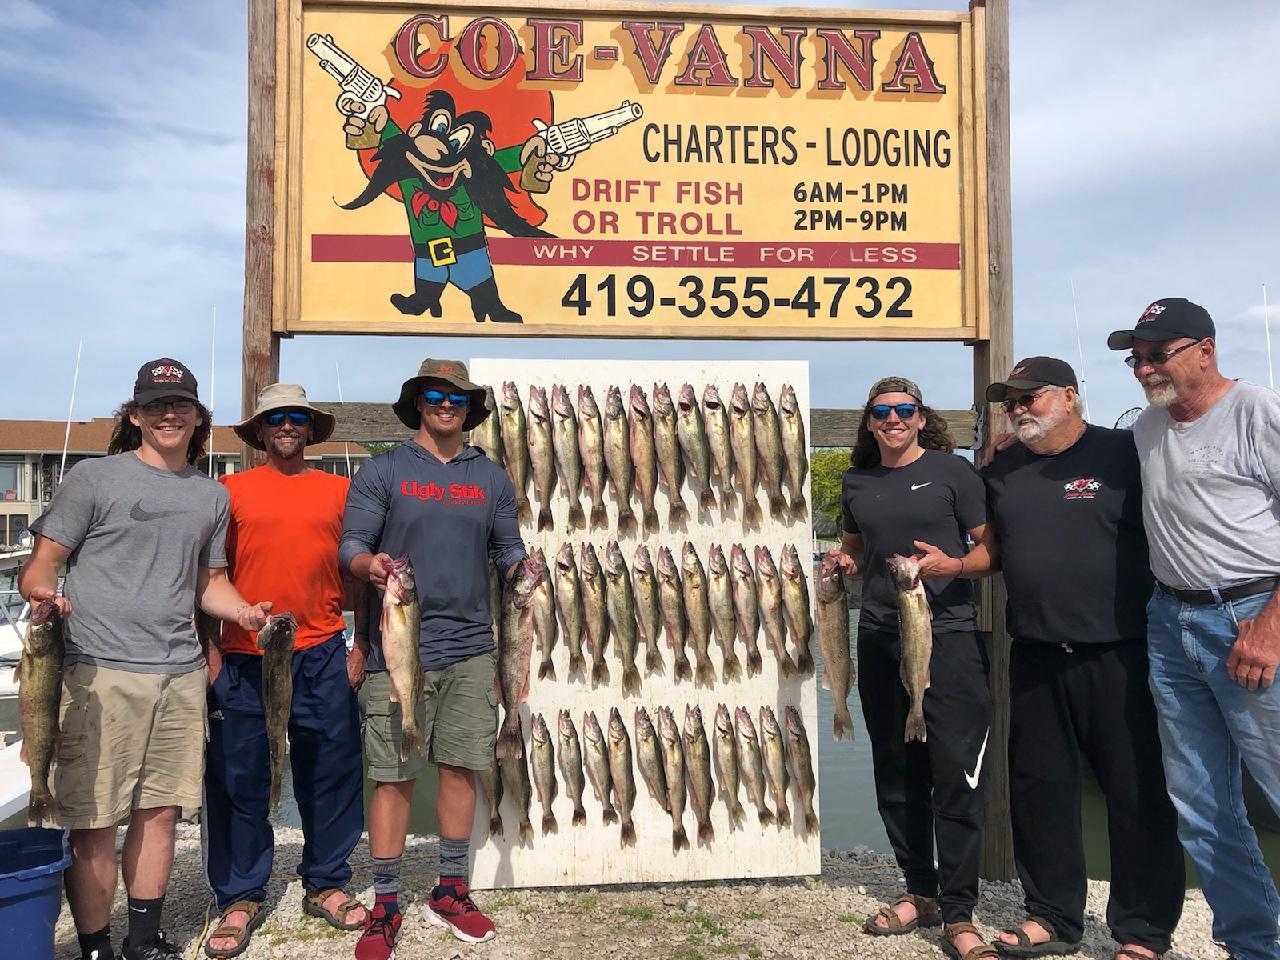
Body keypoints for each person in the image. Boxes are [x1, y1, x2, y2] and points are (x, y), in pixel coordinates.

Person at [18, 358, 271, 960]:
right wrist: (39, 596)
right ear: (134, 416)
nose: (168, 414)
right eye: (155, 405)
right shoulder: (93, 479)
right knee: (95, 819)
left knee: (158, 814)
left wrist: (244, 613)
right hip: (96, 670)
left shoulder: (212, 495)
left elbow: (210, 581)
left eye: (180, 404)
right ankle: (97, 945)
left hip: (180, 674)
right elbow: (44, 565)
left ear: (197, 417)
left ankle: (143, 938)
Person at [982, 357, 1184, 960]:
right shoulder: (1001, 466)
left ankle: (1143, 932)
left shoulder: (1128, 451)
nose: (1019, 409)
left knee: (1137, 794)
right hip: (1036, 651)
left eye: (1030, 397)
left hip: (1121, 652)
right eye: (1010, 401)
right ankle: (1052, 915)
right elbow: (989, 549)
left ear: (1069, 396)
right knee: (1040, 790)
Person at [1108, 298, 1280, 960]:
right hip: (1169, 621)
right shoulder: (1148, 428)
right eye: (1137, 357)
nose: (1145, 366)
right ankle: (1252, 947)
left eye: (1159, 352)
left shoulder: (1257, 410)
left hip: (1251, 617)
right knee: (1204, 810)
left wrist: (1268, 629)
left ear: (1205, 350)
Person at [340, 358, 527, 959]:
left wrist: (523, 570)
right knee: (393, 776)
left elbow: (508, 548)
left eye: (457, 396)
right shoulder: (384, 469)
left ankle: (451, 889)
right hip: (399, 645)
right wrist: (371, 568)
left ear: (469, 408)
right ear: (418, 403)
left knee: (460, 767)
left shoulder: (492, 477)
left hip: (472, 646)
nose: (446, 404)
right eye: (435, 395)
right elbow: (351, 546)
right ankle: (386, 903)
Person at [831, 376, 1000, 960]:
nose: (894, 420)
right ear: (870, 422)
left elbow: (989, 552)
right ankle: (918, 890)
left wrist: (953, 564)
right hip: (879, 637)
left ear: (922, 417)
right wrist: (843, 561)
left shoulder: (954, 473)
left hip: (946, 638)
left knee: (955, 774)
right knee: (896, 771)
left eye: (904, 410)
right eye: (882, 412)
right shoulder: (857, 481)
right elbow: (855, 548)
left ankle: (959, 910)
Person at [201, 384, 368, 958]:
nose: (287, 425)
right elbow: (205, 578)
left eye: (297, 416)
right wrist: (211, 651)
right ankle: (241, 893)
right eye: (276, 418)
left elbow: (362, 573)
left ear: (310, 427)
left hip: (322, 648)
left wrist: (362, 643)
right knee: (238, 773)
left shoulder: (341, 490)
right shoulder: (229, 491)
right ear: (261, 430)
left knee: (332, 768)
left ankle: (326, 880)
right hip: (246, 652)